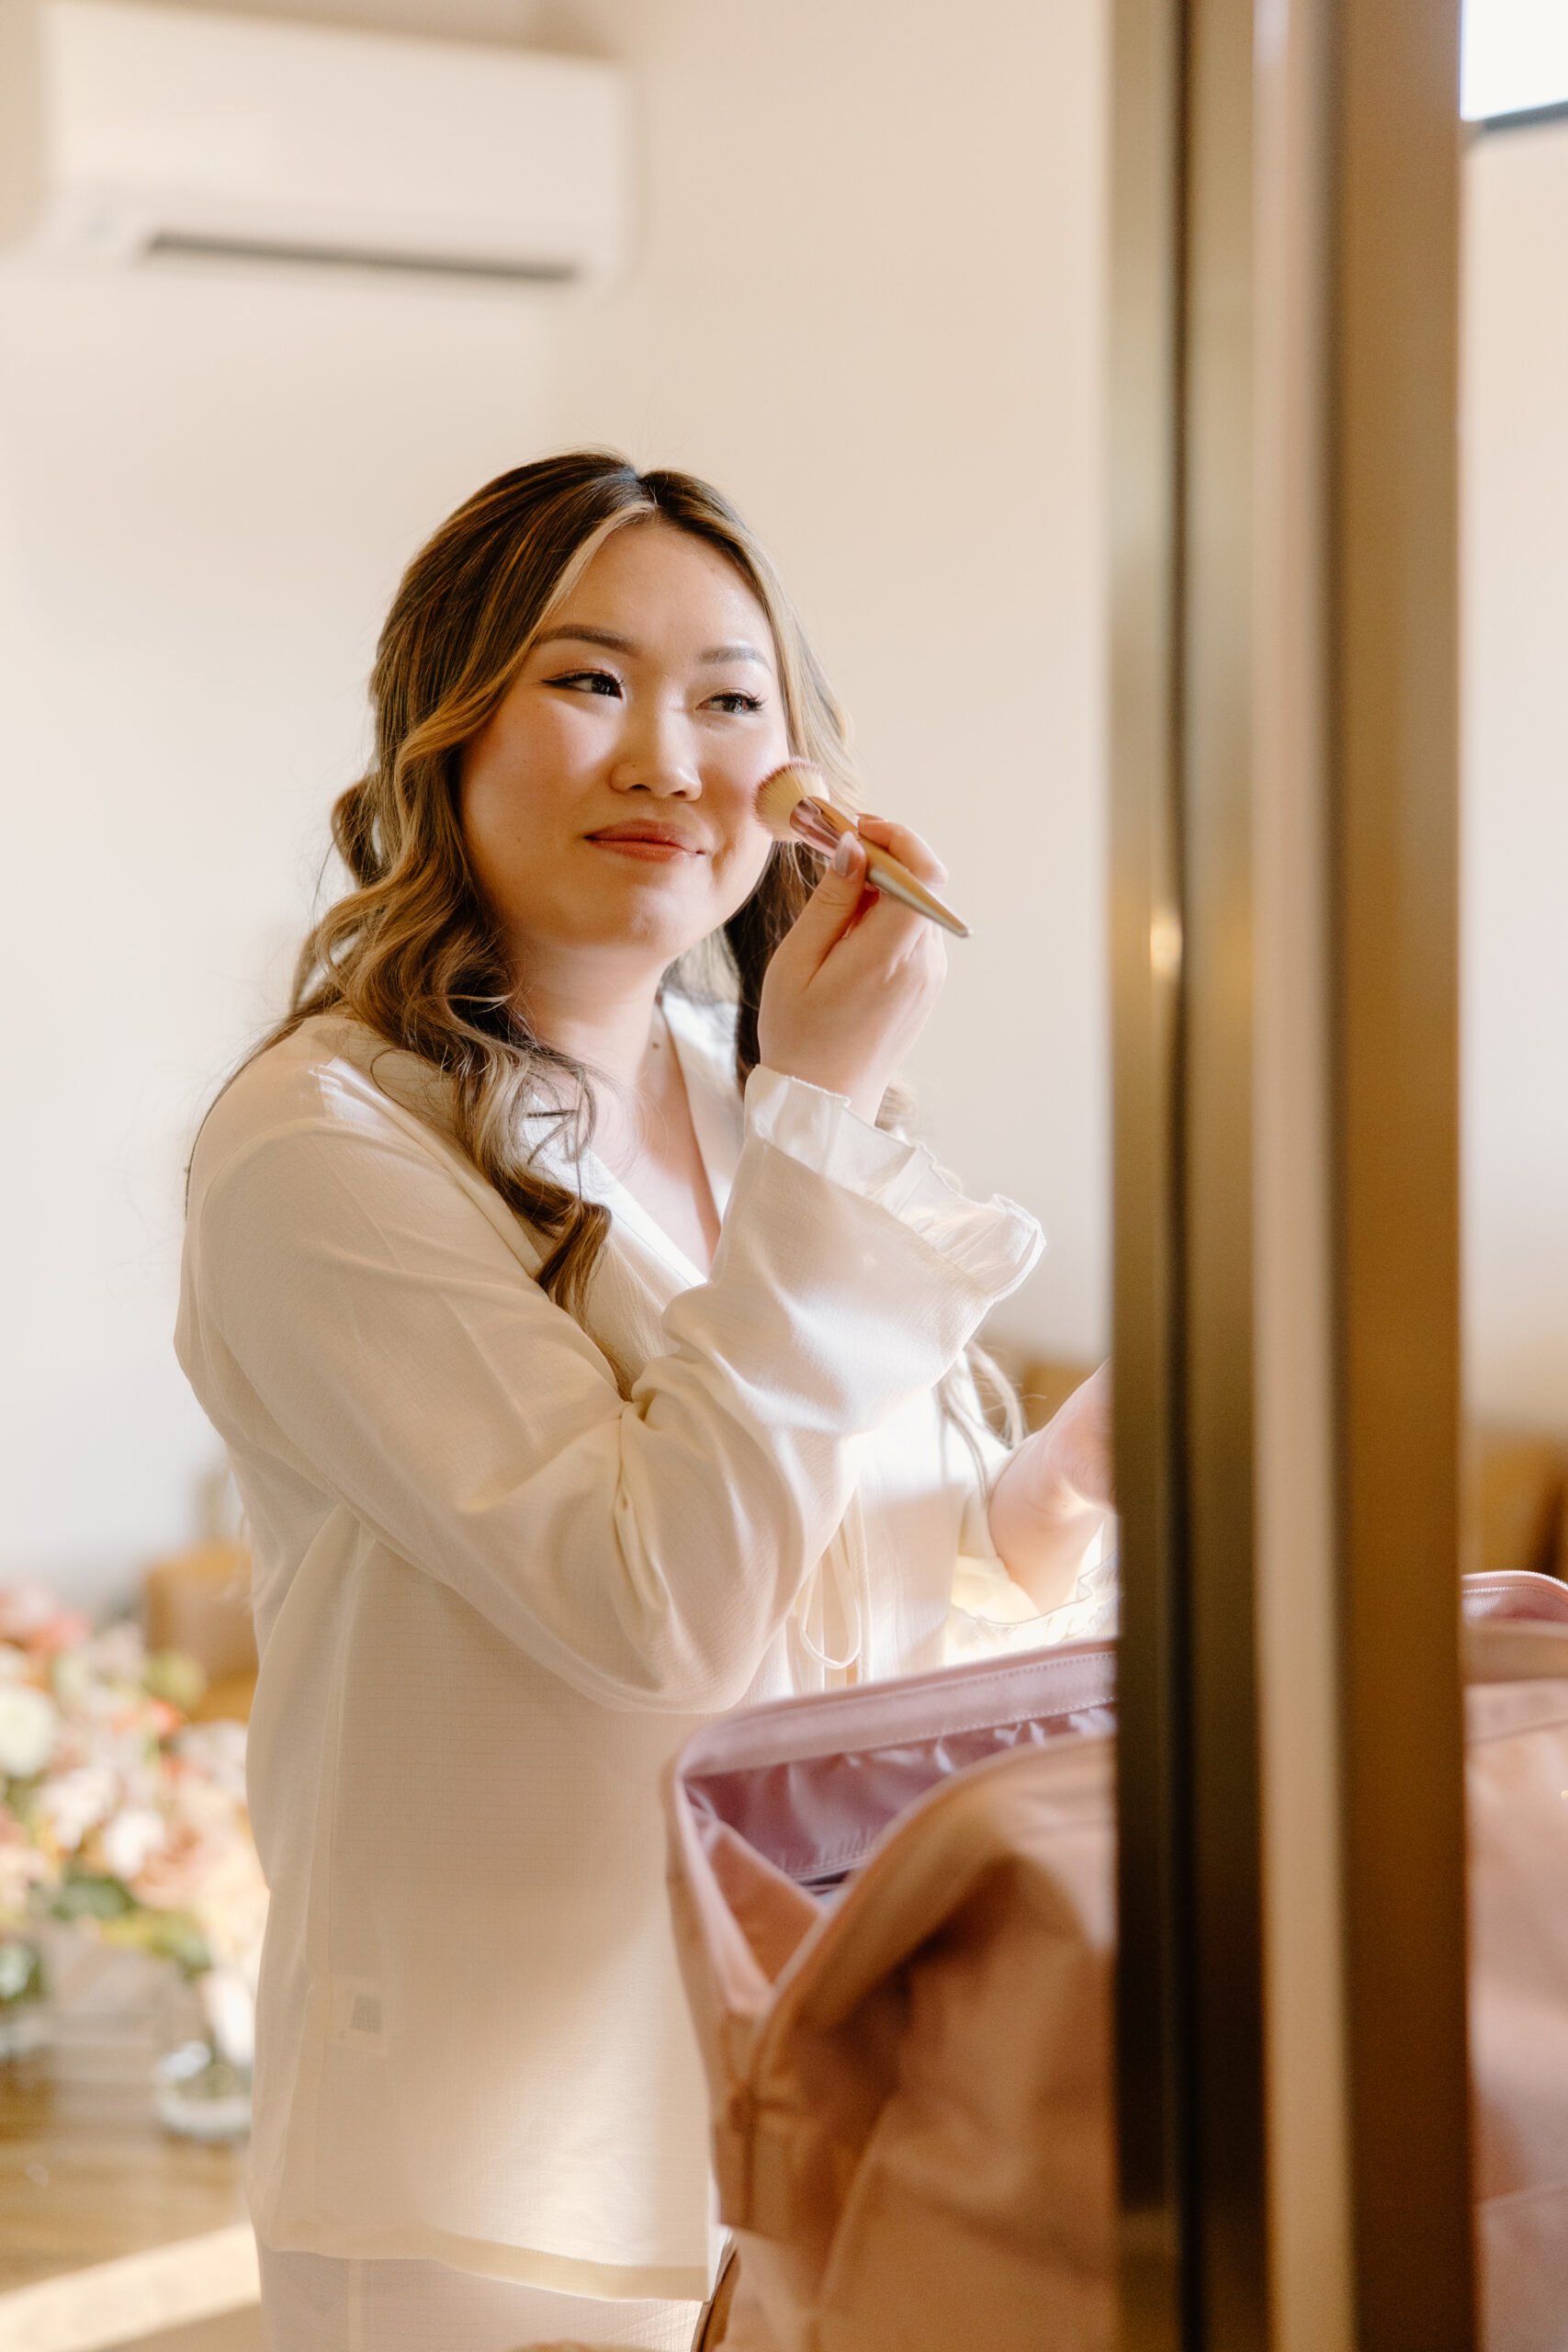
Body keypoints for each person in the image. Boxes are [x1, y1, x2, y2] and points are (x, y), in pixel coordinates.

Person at [175, 452, 1112, 2352]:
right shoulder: (322, 1143)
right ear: (442, 725)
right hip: (507, 2175)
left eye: (730, 699)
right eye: (588, 679)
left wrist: (1075, 1482)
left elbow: (850, 1619)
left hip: (825, 2117)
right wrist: (824, 1120)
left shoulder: (734, 1085)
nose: (672, 760)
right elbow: (658, 1603)